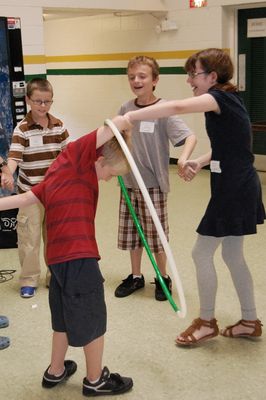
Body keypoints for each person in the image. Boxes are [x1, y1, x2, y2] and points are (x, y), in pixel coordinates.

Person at [122, 48, 265, 345]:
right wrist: (199, 162)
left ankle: (206, 322)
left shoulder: (219, 97)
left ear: (212, 76)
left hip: (234, 188)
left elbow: (175, 108)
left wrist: (131, 115)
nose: (189, 81)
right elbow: (231, 145)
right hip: (236, 183)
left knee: (201, 253)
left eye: (193, 74)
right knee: (232, 254)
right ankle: (250, 320)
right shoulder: (229, 100)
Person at [0, 116, 134, 396]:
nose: (110, 178)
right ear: (97, 158)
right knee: (93, 318)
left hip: (58, 260)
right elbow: (110, 127)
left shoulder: (56, 172)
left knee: (62, 318)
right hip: (79, 257)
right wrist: (126, 124)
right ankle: (96, 380)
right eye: (112, 171)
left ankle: (55, 371)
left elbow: (24, 199)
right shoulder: (78, 157)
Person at [114, 56, 196, 301]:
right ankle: (136, 276)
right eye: (132, 77)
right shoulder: (126, 109)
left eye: (142, 76)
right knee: (132, 233)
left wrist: (183, 158)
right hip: (128, 183)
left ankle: (163, 277)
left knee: (157, 235)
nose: (136, 81)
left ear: (155, 80)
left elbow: (189, 137)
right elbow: (114, 138)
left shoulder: (164, 110)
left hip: (153, 185)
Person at [1, 78, 69, 298]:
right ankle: (29, 279)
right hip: (29, 194)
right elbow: (14, 158)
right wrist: (8, 173)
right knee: (29, 238)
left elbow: (68, 157)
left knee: (55, 237)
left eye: (47, 102)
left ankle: (54, 276)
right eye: (38, 101)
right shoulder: (22, 130)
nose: (43, 106)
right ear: (28, 100)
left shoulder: (59, 125)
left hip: (55, 193)